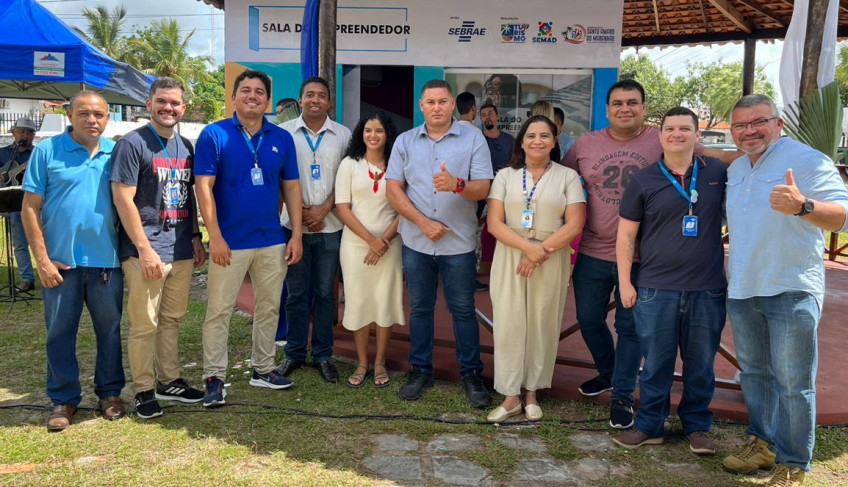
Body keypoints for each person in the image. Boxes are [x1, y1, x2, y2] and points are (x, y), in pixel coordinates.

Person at [561, 79, 736, 429]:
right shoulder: (585, 144)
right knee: (589, 319)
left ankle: (623, 396)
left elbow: (716, 160)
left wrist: (758, 156)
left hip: (644, 258)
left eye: (632, 102)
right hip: (595, 250)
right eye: (617, 103)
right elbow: (560, 183)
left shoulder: (663, 136)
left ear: (643, 107)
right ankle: (610, 372)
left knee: (632, 330)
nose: (625, 109)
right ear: (607, 108)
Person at [720, 95, 848, 487]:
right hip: (743, 287)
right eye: (740, 125)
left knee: (793, 382)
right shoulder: (738, 167)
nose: (748, 131)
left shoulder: (806, 160)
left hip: (791, 287)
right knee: (756, 375)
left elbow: (842, 217)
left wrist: (804, 206)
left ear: (778, 123)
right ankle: (762, 442)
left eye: (758, 122)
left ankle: (795, 461)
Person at [613, 107, 727, 455]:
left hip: (706, 288)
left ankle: (697, 426)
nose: (677, 134)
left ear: (697, 135)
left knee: (701, 363)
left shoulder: (718, 173)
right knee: (656, 363)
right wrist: (626, 283)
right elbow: (626, 236)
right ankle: (650, 424)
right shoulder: (643, 179)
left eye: (684, 128)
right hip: (654, 287)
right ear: (660, 135)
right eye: (670, 129)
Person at [194, 69, 303, 407]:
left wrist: (296, 233)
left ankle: (263, 368)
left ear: (268, 101)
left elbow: (292, 188)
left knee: (270, 307)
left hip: (272, 239)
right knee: (219, 311)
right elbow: (203, 187)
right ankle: (214, 377)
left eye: (259, 92)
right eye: (246, 90)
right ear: (234, 96)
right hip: (230, 241)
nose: (252, 96)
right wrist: (215, 236)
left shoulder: (281, 138)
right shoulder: (214, 134)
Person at [21, 91, 125, 431]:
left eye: (98, 114)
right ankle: (63, 398)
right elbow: (29, 209)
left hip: (107, 264)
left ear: (108, 118)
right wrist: (42, 260)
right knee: (59, 333)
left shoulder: (116, 153)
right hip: (61, 265)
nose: (91, 120)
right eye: (84, 113)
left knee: (109, 331)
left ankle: (110, 393)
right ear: (70, 115)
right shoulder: (47, 151)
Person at [386, 79, 493, 408]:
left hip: (458, 243)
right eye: (430, 102)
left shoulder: (473, 138)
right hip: (417, 241)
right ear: (421, 105)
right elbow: (393, 189)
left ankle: (471, 373)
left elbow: (484, 188)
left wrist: (457, 184)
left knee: (462, 310)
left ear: (451, 105)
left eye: (442, 101)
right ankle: (421, 369)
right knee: (420, 308)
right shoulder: (405, 142)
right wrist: (423, 223)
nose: (436, 107)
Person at [110, 77, 207, 419]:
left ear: (183, 108)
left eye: (175, 103)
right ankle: (143, 389)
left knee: (171, 319)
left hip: (180, 249)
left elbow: (189, 195)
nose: (169, 108)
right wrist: (144, 249)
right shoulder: (132, 144)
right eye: (162, 101)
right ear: (149, 104)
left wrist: (196, 237)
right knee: (144, 324)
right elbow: (123, 200)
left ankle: (170, 381)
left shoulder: (185, 146)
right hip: (145, 252)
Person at [485, 115, 585, 422]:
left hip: (551, 256)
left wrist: (540, 251)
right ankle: (511, 395)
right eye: (531, 135)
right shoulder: (505, 176)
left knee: (543, 323)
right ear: (522, 141)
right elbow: (493, 223)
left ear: (555, 142)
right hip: (511, 256)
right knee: (509, 323)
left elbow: (576, 223)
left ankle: (532, 393)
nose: (537, 141)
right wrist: (527, 249)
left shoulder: (567, 176)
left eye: (545, 135)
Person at [278, 76, 352, 384]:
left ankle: (323, 353)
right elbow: (277, 176)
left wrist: (324, 209)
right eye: (309, 95)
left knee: (325, 293)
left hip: (331, 225)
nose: (315, 100)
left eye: (321, 95)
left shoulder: (344, 135)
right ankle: (294, 352)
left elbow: (348, 179)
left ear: (329, 102)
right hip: (292, 226)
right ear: (300, 100)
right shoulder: (283, 134)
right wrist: (302, 213)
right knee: (296, 294)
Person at [334, 111, 403, 388]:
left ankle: (380, 362)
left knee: (384, 301)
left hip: (390, 245)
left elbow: (404, 208)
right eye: (368, 130)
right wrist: (370, 241)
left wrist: (382, 240)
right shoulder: (350, 164)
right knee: (359, 301)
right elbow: (342, 207)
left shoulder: (398, 165)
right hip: (354, 245)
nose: (373, 136)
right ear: (361, 134)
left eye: (379, 131)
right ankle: (362, 362)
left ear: (388, 135)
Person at [0, 117, 36, 292]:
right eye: (21, 131)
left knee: (42, 240)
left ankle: (51, 273)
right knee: (20, 243)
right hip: (13, 204)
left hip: (36, 204)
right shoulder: (3, 153)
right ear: (14, 133)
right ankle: (27, 279)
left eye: (28, 132)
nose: (25, 135)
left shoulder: (37, 154)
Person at [480, 102, 514, 174]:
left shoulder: (509, 140)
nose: (487, 117)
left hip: (505, 182)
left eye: (490, 114)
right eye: (483, 115)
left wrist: (507, 169)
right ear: (481, 119)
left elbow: (517, 163)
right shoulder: (478, 139)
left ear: (497, 116)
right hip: (484, 182)